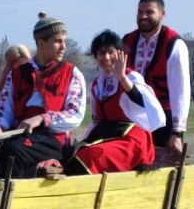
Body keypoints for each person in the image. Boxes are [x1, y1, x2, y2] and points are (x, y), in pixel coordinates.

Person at [0, 13, 85, 185]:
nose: (63, 46)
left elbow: (76, 114)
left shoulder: (71, 73)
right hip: (20, 134)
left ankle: (10, 204)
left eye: (64, 41)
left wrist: (42, 119)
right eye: (57, 41)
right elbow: (5, 109)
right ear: (41, 43)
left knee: (15, 152)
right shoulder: (17, 74)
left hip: (52, 138)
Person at [123, 0, 190, 209]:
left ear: (162, 14)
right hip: (134, 120)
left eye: (149, 12)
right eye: (140, 11)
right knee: (137, 174)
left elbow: (180, 90)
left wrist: (177, 131)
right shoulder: (127, 42)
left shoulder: (174, 44)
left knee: (163, 176)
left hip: (164, 119)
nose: (143, 16)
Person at [65, 30, 165, 175]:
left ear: (120, 54)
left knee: (90, 155)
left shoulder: (132, 77)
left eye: (110, 52)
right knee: (72, 154)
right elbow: (96, 120)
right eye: (101, 53)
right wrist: (84, 140)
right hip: (106, 135)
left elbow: (145, 104)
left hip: (132, 140)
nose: (106, 57)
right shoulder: (97, 85)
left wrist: (122, 78)